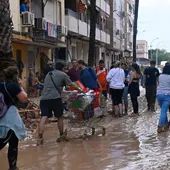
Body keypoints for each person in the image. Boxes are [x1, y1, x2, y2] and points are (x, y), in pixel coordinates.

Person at [0, 65, 28, 170]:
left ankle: (13, 167)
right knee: (10, 142)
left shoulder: (1, 85)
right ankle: (13, 167)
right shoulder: (13, 86)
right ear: (15, 75)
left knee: (12, 142)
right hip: (9, 119)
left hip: (1, 116)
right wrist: (20, 85)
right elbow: (24, 99)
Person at [38, 62, 72, 145]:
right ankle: (61, 135)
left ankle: (40, 137)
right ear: (63, 68)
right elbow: (71, 84)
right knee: (59, 116)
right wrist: (80, 89)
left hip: (43, 98)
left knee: (44, 116)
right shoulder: (63, 74)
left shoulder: (48, 74)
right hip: (55, 98)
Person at [157, 64, 170, 133]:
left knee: (163, 110)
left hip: (159, 95)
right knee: (163, 111)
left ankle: (166, 125)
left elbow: (159, 84)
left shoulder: (160, 76)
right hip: (167, 96)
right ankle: (160, 126)